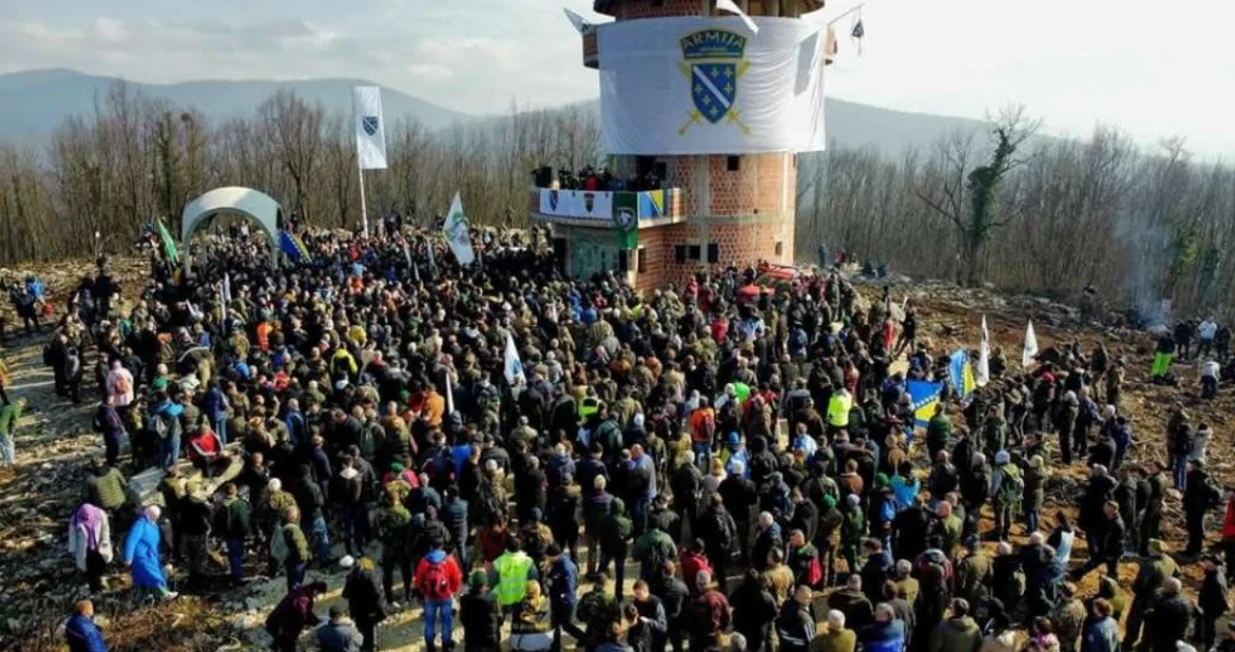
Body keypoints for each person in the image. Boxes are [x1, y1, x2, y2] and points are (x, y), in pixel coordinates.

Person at [415, 544, 464, 652]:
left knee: (429, 621)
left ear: (431, 546)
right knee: (446, 621)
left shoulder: (424, 561)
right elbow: (456, 578)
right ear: (441, 546)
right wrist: (453, 590)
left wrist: (422, 590)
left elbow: (418, 580)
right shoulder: (449, 560)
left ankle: (430, 646)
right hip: (445, 595)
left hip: (429, 596)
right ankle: (446, 646)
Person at [123, 505, 176, 600]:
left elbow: (155, 543)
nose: (155, 518)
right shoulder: (140, 524)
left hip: (150, 555)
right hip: (141, 555)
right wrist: (128, 557)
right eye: (153, 516)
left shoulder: (153, 526)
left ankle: (141, 596)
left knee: (140, 577)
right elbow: (132, 540)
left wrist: (156, 557)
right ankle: (162, 593)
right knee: (152, 574)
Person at [265, 581, 329, 652]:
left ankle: (275, 646)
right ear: (316, 590)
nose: (316, 596)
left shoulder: (300, 590)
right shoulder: (304, 598)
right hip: (284, 626)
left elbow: (305, 613)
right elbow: (304, 615)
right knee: (288, 645)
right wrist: (316, 622)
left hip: (276, 621)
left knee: (281, 639)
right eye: (318, 593)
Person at [341, 556, 387, 652]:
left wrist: (376, 607)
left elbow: (377, 592)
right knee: (370, 627)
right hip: (365, 607)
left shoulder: (362, 575)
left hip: (365, 608)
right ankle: (372, 645)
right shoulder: (360, 571)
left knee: (366, 628)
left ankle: (370, 647)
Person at [68, 502, 114, 594]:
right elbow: (72, 535)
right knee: (91, 569)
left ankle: (102, 580)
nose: (87, 518)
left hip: (99, 546)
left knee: (102, 562)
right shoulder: (76, 518)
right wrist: (72, 549)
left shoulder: (100, 514)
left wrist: (105, 540)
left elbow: (105, 529)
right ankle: (95, 588)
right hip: (85, 549)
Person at [459, 570, 502, 652]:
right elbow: (500, 619)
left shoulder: (465, 599)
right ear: (485, 583)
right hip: (491, 642)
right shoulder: (493, 598)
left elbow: (463, 619)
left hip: (472, 642)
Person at [511, 580, 553, 652]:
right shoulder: (548, 603)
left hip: (524, 644)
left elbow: (515, 628)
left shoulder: (519, 605)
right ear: (539, 590)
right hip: (545, 641)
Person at [776, 585, 817, 652]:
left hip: (784, 646)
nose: (810, 600)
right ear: (799, 597)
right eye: (807, 598)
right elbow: (811, 641)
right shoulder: (804, 618)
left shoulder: (786, 604)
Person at [0, 397, 26, 466]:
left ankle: (5, 461)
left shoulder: (5, 405)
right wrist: (12, 432)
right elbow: (14, 421)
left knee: (2, 444)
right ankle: (11, 461)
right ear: (21, 403)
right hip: (3, 429)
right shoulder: (16, 408)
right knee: (9, 444)